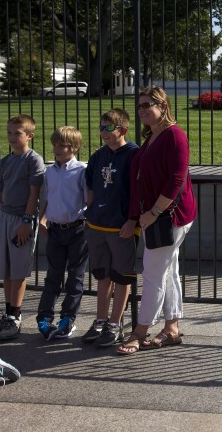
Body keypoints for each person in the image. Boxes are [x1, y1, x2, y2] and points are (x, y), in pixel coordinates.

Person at [117, 86, 196, 355]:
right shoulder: (152, 137)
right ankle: (171, 327)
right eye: (139, 106)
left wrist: (153, 213)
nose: (141, 110)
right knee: (167, 271)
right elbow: (138, 183)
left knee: (152, 272)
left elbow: (177, 178)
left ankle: (140, 331)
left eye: (147, 105)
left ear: (163, 106)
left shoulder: (175, 136)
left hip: (169, 217)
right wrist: (134, 217)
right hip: (154, 216)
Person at [0, 115, 45, 341]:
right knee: (6, 270)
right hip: (5, 218)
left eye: (17, 133)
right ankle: (8, 314)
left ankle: (15, 317)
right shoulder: (5, 161)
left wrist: (26, 222)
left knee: (18, 271)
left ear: (29, 135)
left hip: (21, 220)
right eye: (9, 132)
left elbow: (33, 194)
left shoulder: (33, 160)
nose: (12, 137)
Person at [81, 109, 139, 347]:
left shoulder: (134, 154)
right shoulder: (98, 156)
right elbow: (91, 187)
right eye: (101, 128)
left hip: (121, 226)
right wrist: (92, 211)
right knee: (103, 276)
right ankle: (100, 321)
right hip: (97, 224)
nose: (103, 133)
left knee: (121, 277)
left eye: (108, 128)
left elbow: (138, 192)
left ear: (122, 130)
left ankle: (115, 325)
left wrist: (132, 220)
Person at [34, 126, 88, 340]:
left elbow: (87, 200)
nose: (57, 149)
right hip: (56, 230)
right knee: (53, 276)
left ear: (74, 148)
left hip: (77, 230)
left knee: (75, 277)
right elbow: (47, 199)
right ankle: (45, 316)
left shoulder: (81, 171)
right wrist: (43, 219)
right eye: (55, 144)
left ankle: (68, 318)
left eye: (62, 145)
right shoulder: (50, 172)